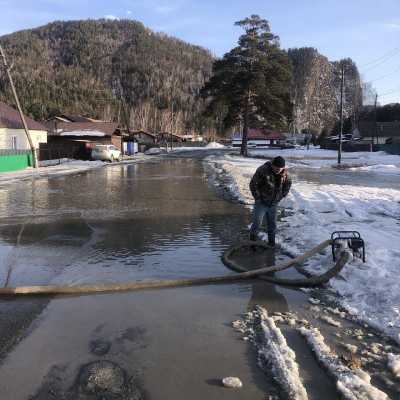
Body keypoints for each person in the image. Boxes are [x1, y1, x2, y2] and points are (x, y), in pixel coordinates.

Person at [249, 156, 292, 246]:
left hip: (274, 203)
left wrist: (282, 195)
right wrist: (258, 198)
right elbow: (253, 184)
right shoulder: (263, 170)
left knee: (272, 225)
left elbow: (288, 183)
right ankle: (252, 243)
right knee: (257, 223)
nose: (278, 170)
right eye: (276, 168)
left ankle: (271, 244)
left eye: (280, 168)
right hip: (261, 202)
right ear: (272, 165)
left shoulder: (285, 173)